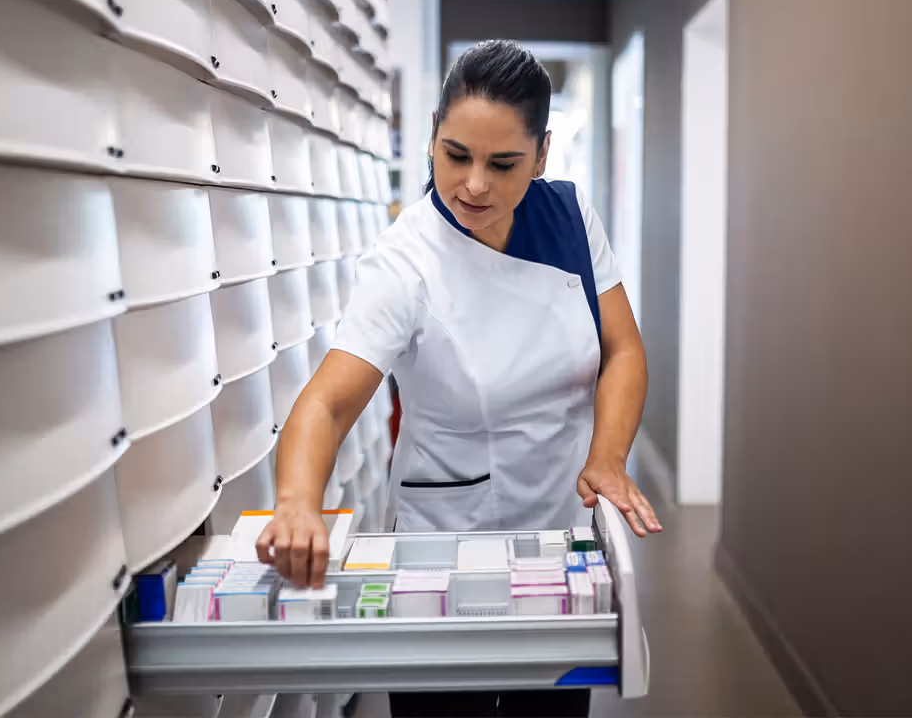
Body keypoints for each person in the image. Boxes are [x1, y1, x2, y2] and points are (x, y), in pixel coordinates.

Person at [257, 39, 661, 717]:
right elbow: (326, 403)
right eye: (455, 155)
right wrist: (297, 501)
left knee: (551, 707)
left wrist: (609, 457)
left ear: (541, 153)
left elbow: (623, 350)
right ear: (432, 141)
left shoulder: (568, 216)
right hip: (441, 547)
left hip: (560, 539)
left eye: (503, 164)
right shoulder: (406, 261)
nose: (474, 184)